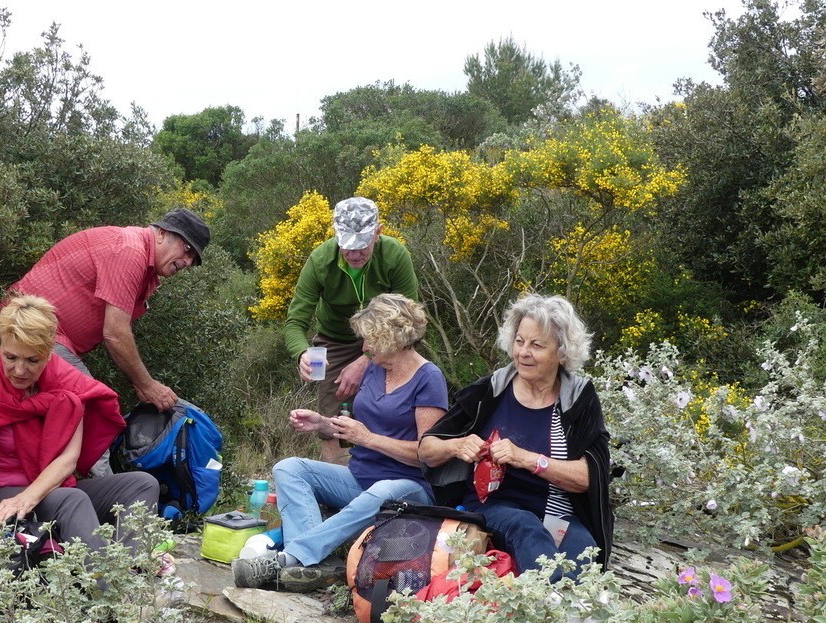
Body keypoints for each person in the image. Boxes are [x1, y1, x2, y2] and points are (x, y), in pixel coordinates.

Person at [0, 294, 159, 574]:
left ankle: (129, 574)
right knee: (72, 500)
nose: (19, 370)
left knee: (142, 485)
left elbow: (68, 459)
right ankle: (117, 599)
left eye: (33, 360)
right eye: (10, 357)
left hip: (45, 489)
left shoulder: (65, 380)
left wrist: (30, 496)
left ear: (49, 353)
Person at [234, 294, 448, 591]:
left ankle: (291, 558)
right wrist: (322, 423)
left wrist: (369, 439)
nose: (364, 348)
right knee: (289, 468)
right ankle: (317, 566)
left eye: (370, 339)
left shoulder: (429, 378)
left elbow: (429, 455)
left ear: (392, 338)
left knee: (382, 490)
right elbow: (357, 429)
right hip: (359, 477)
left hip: (408, 488)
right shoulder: (376, 367)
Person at [418, 294, 612, 580]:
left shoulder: (578, 399)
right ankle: (545, 604)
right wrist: (456, 445)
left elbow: (589, 477)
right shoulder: (490, 391)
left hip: (558, 514)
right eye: (519, 341)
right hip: (493, 507)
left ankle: (553, 610)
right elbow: (427, 449)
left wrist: (528, 459)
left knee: (585, 555)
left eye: (536, 345)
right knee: (524, 526)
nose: (523, 352)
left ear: (561, 352)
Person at [9, 209, 210, 414]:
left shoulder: (144, 267)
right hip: (31, 328)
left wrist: (139, 382)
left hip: (44, 334)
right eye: (186, 248)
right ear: (162, 234)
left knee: (59, 422)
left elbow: (118, 336)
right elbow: (115, 333)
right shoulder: (130, 251)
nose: (187, 261)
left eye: (193, 259)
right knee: (94, 411)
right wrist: (148, 386)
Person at [284, 197, 419, 464]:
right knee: (334, 423)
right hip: (334, 341)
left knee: (392, 412)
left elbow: (410, 322)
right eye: (347, 245)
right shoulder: (321, 261)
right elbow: (295, 323)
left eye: (362, 245)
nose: (354, 254)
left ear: (378, 233)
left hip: (390, 341)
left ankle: (392, 483)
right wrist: (302, 353)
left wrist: (366, 359)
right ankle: (338, 490)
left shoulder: (395, 256)